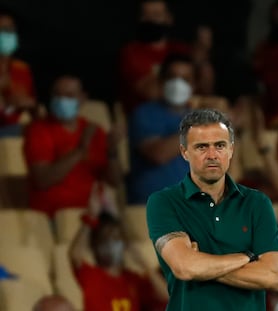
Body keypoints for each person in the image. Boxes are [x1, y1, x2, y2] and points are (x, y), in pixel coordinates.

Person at [146, 109, 278, 311]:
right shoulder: (163, 202)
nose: (212, 155)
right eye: (202, 147)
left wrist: (201, 265)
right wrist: (247, 257)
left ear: (231, 150)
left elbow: (274, 277)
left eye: (219, 146)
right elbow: (185, 267)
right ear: (185, 152)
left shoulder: (257, 203)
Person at [23, 75, 122, 217]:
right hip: (52, 216)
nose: (62, 100)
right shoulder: (38, 130)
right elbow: (42, 180)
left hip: (92, 214)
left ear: (82, 99)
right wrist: (80, 150)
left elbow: (115, 181)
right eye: (57, 94)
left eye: (69, 95)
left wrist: (112, 151)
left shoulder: (93, 130)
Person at [69, 185, 168, 311]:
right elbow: (75, 255)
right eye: (104, 239)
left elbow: (166, 296)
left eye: (115, 238)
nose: (110, 243)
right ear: (95, 246)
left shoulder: (132, 280)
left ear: (124, 244)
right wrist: (91, 217)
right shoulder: (92, 275)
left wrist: (143, 263)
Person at [126, 53, 194, 204]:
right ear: (161, 81)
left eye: (185, 79)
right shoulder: (144, 114)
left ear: (193, 85)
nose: (178, 84)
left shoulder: (195, 117)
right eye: (172, 77)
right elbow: (158, 154)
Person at [118, 0, 190, 113]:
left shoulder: (180, 49)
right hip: (146, 118)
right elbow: (152, 93)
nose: (150, 20)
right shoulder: (131, 52)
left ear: (168, 18)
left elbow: (202, 88)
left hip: (182, 115)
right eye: (145, 15)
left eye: (156, 15)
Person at [0, 6, 36, 134]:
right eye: (2, 30)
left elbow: (31, 106)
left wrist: (29, 104)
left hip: (16, 127)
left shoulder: (22, 68)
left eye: (10, 30)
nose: (6, 34)